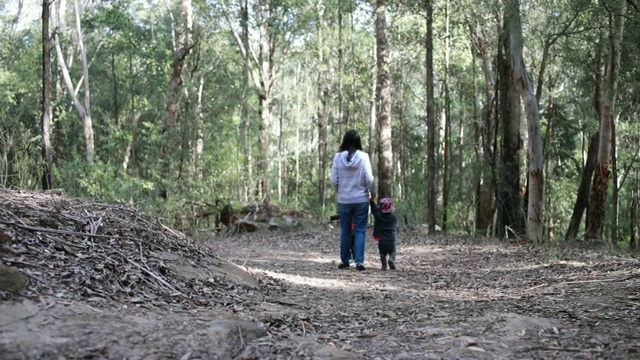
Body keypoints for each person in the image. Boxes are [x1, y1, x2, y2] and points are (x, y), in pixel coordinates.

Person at [331, 130, 376, 271]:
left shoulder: (338, 158)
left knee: (345, 230)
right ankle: (359, 262)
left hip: (344, 199)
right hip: (361, 199)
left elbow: (333, 179)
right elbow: (370, 179)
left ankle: (345, 261)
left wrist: (340, 191)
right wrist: (373, 194)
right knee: (360, 231)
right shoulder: (363, 157)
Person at [370, 197, 398, 270]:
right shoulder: (394, 218)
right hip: (391, 238)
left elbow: (374, 210)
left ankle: (384, 265)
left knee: (382, 253)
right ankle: (391, 259)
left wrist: (371, 201)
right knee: (393, 251)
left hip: (381, 239)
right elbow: (396, 226)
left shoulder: (379, 216)